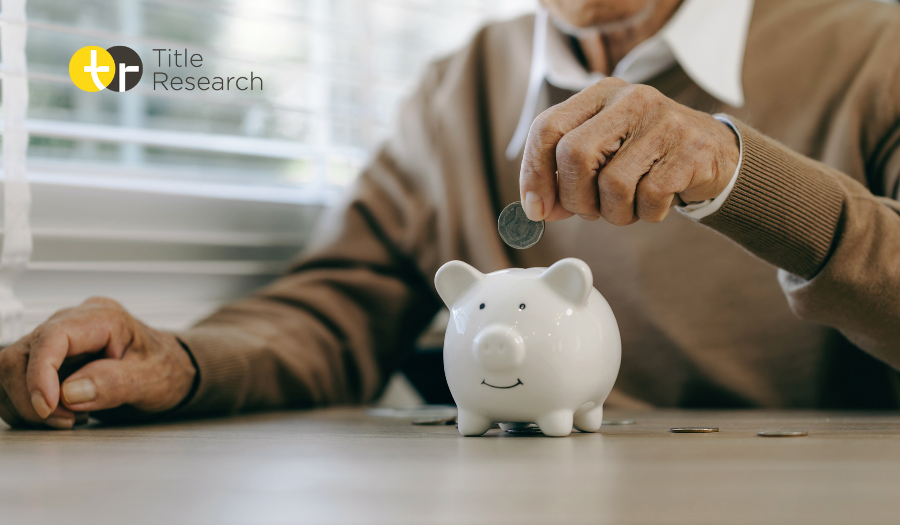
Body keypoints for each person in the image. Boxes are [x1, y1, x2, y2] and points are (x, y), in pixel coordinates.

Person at [2, 0, 899, 430]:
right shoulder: (459, 85)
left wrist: (744, 178)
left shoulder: (874, 46)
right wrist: (183, 359)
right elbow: (332, 312)